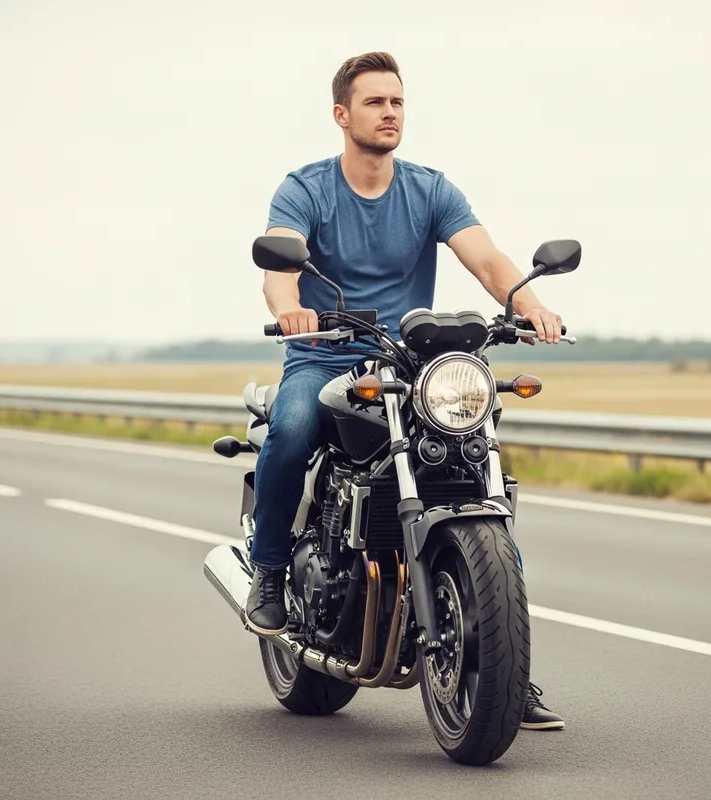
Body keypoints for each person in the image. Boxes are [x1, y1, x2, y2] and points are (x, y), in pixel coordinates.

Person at [246, 51, 565, 731]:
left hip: (409, 361)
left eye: (397, 102)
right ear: (342, 115)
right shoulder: (306, 188)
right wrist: (291, 306)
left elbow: (485, 256)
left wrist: (526, 301)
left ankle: (507, 669)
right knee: (295, 426)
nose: (390, 113)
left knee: (475, 468)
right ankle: (270, 570)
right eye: (375, 103)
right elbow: (280, 258)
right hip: (325, 354)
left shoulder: (430, 189)